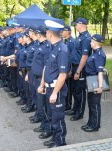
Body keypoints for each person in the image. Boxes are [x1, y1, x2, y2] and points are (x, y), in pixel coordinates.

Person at [38, 20, 69, 148]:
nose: (46, 33)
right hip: (49, 87)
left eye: (47, 31)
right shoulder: (53, 47)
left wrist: (55, 93)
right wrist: (42, 84)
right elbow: (46, 67)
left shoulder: (62, 49)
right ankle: (55, 138)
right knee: (52, 115)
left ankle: (60, 141)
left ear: (50, 33)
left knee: (58, 117)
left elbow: (63, 74)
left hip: (57, 89)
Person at [82, 34, 106, 132]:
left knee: (95, 104)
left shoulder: (100, 55)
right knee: (91, 103)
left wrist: (100, 87)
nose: (90, 42)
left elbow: (100, 72)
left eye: (91, 41)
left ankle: (95, 125)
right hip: (90, 79)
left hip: (95, 80)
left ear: (96, 42)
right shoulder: (94, 52)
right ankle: (90, 122)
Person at [69, 18, 92, 121]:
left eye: (76, 24)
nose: (75, 26)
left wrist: (78, 71)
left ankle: (79, 113)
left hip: (80, 68)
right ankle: (75, 109)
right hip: (74, 66)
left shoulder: (86, 38)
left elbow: (84, 56)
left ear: (82, 24)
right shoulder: (80, 36)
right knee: (74, 90)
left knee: (80, 92)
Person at [61, 25, 75, 111]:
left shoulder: (72, 42)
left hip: (69, 68)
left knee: (68, 88)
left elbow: (72, 57)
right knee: (65, 87)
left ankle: (68, 105)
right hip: (65, 67)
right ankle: (66, 103)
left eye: (63, 31)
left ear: (68, 32)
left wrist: (70, 70)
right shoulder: (65, 41)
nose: (62, 33)